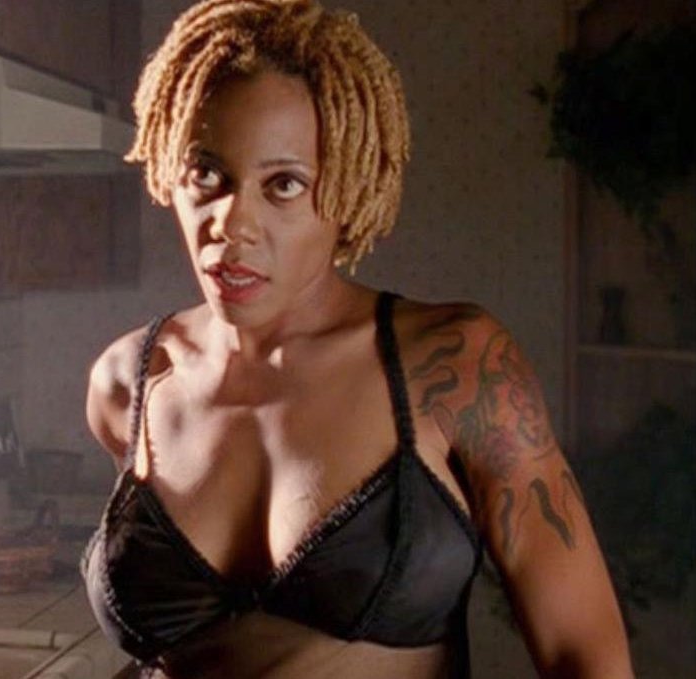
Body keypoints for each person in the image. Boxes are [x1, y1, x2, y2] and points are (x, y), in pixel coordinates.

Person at [81, 1, 633, 677]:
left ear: (347, 187)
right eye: (207, 175)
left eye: (283, 184)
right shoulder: (127, 383)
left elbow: (588, 657)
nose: (231, 222)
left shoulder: (459, 367)